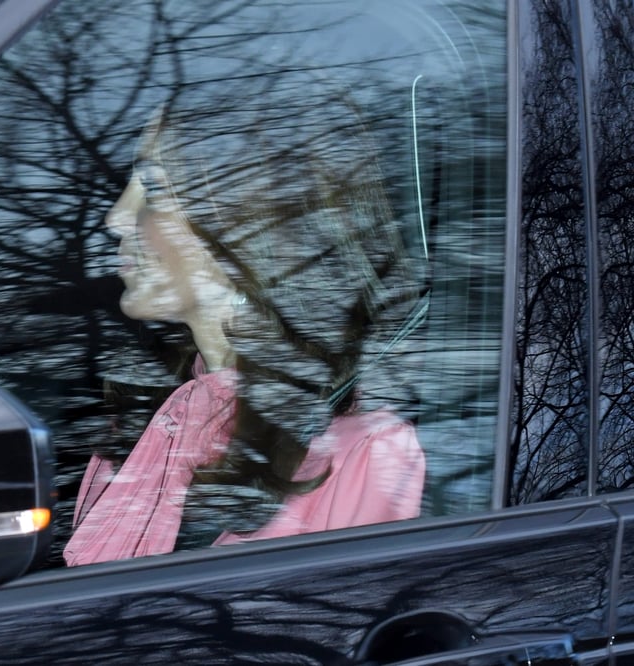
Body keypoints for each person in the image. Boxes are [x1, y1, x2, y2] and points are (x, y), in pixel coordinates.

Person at [65, 29, 428, 566]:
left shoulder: (366, 454)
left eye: (155, 188)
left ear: (253, 222)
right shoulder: (144, 422)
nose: (117, 217)